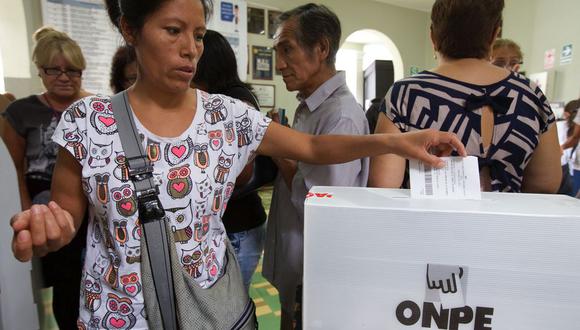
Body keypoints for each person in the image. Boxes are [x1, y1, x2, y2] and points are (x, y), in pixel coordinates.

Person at [10, 0, 465, 328]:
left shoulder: (225, 117)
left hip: (210, 308)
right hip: (118, 311)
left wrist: (401, 142)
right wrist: (52, 226)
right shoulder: (87, 122)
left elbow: (313, 148)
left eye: (199, 35)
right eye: (173, 31)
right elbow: (69, 213)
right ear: (131, 29)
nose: (191, 49)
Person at [369, 0, 561, 194]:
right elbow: (546, 186)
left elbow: (384, 184)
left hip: (428, 223)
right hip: (507, 224)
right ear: (495, 34)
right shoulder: (531, 95)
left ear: (433, 36)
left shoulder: (406, 92)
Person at [261, 4, 369, 329]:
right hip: (296, 265)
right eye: (277, 51)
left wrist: (276, 147)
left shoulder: (340, 117)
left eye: (287, 50)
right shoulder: (309, 107)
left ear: (321, 48)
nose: (279, 65)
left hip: (315, 272)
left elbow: (320, 205)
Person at [1, 26, 91, 329]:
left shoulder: (94, 108)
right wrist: (25, 209)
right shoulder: (20, 113)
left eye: (73, 71)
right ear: (40, 70)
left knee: (79, 278)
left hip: (85, 202)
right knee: (44, 277)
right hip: (40, 201)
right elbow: (13, 168)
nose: (65, 77)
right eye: (55, 70)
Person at [191, 29, 269, 291]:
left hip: (238, 225)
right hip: (226, 225)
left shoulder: (234, 100)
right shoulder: (207, 98)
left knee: (229, 304)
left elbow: (242, 172)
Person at [557, 100, 579, 195]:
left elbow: (575, 137)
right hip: (569, 168)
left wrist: (562, 148)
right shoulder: (560, 126)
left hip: (568, 169)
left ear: (566, 114)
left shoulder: (558, 126)